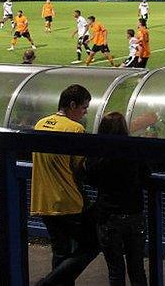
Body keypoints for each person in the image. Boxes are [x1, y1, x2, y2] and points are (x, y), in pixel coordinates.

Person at [30, 84, 99, 285]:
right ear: (72, 105)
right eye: (84, 108)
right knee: (92, 244)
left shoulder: (40, 124)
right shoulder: (75, 129)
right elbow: (80, 168)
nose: (85, 112)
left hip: (42, 200)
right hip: (67, 201)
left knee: (60, 251)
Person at [86, 112, 150, 286]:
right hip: (133, 213)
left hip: (108, 215)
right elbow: (146, 176)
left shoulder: (98, 152)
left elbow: (90, 178)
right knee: (137, 268)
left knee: (115, 269)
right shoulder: (134, 150)